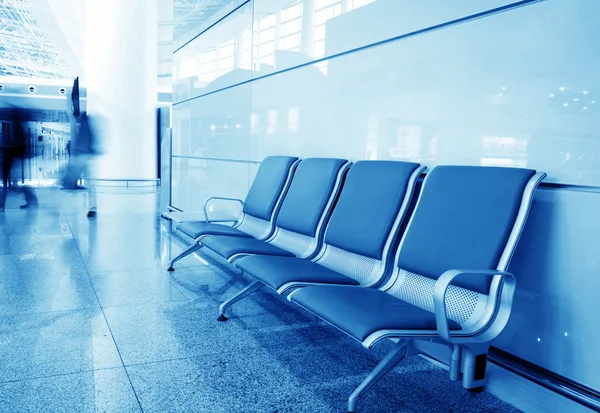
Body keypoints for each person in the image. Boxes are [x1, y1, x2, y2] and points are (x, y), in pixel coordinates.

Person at [0, 106, 38, 211]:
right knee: (10, 182)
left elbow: (14, 144)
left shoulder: (14, 127)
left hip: (11, 157)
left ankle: (2, 205)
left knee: (9, 182)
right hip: (12, 157)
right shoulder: (16, 126)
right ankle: (31, 201)